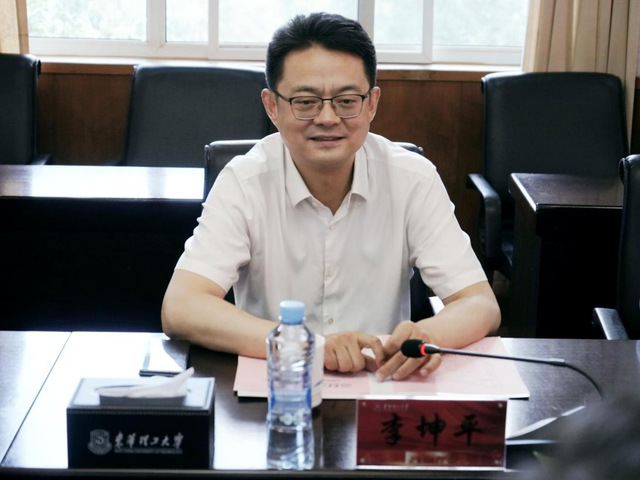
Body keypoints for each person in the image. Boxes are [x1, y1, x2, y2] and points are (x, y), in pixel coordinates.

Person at [161, 12, 500, 381]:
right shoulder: (245, 181)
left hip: (382, 384)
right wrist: (304, 346)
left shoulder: (411, 178)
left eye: (346, 100)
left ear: (371, 103)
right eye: (305, 101)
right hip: (278, 388)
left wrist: (428, 335)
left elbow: (480, 303)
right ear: (272, 106)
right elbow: (181, 306)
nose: (327, 118)